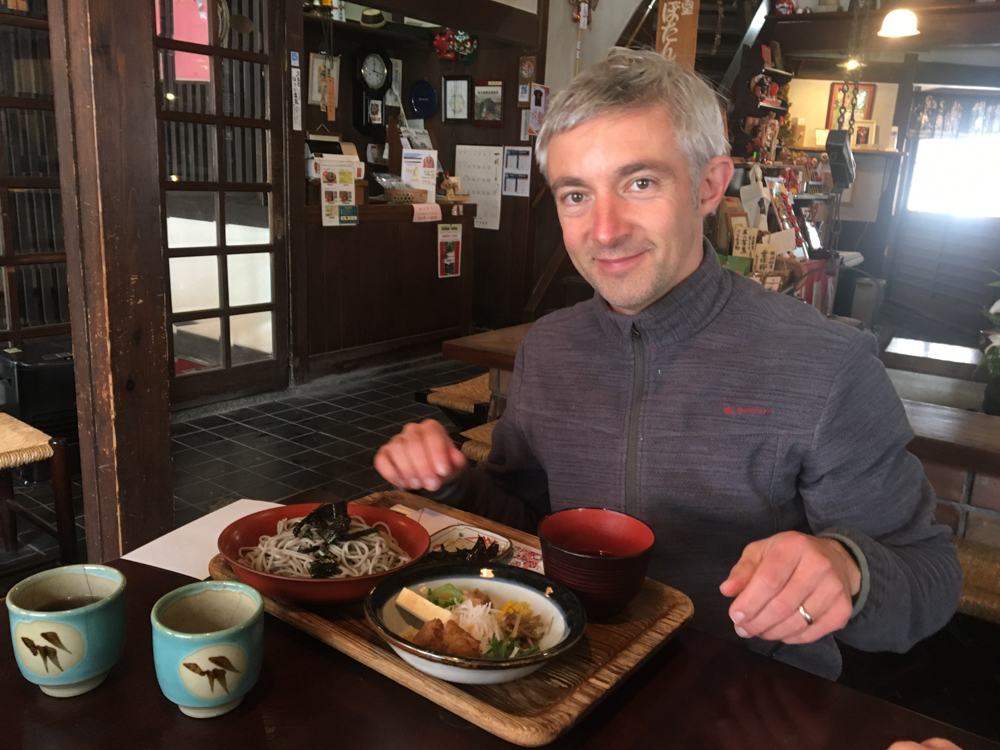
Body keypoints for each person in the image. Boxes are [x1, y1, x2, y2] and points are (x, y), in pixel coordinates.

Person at [374, 48, 962, 680]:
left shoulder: (826, 365)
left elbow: (930, 577)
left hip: (739, 693)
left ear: (709, 186)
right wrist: (453, 481)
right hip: (559, 674)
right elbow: (527, 523)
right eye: (576, 194)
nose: (604, 230)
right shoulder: (549, 348)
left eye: (640, 183)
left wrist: (848, 568)